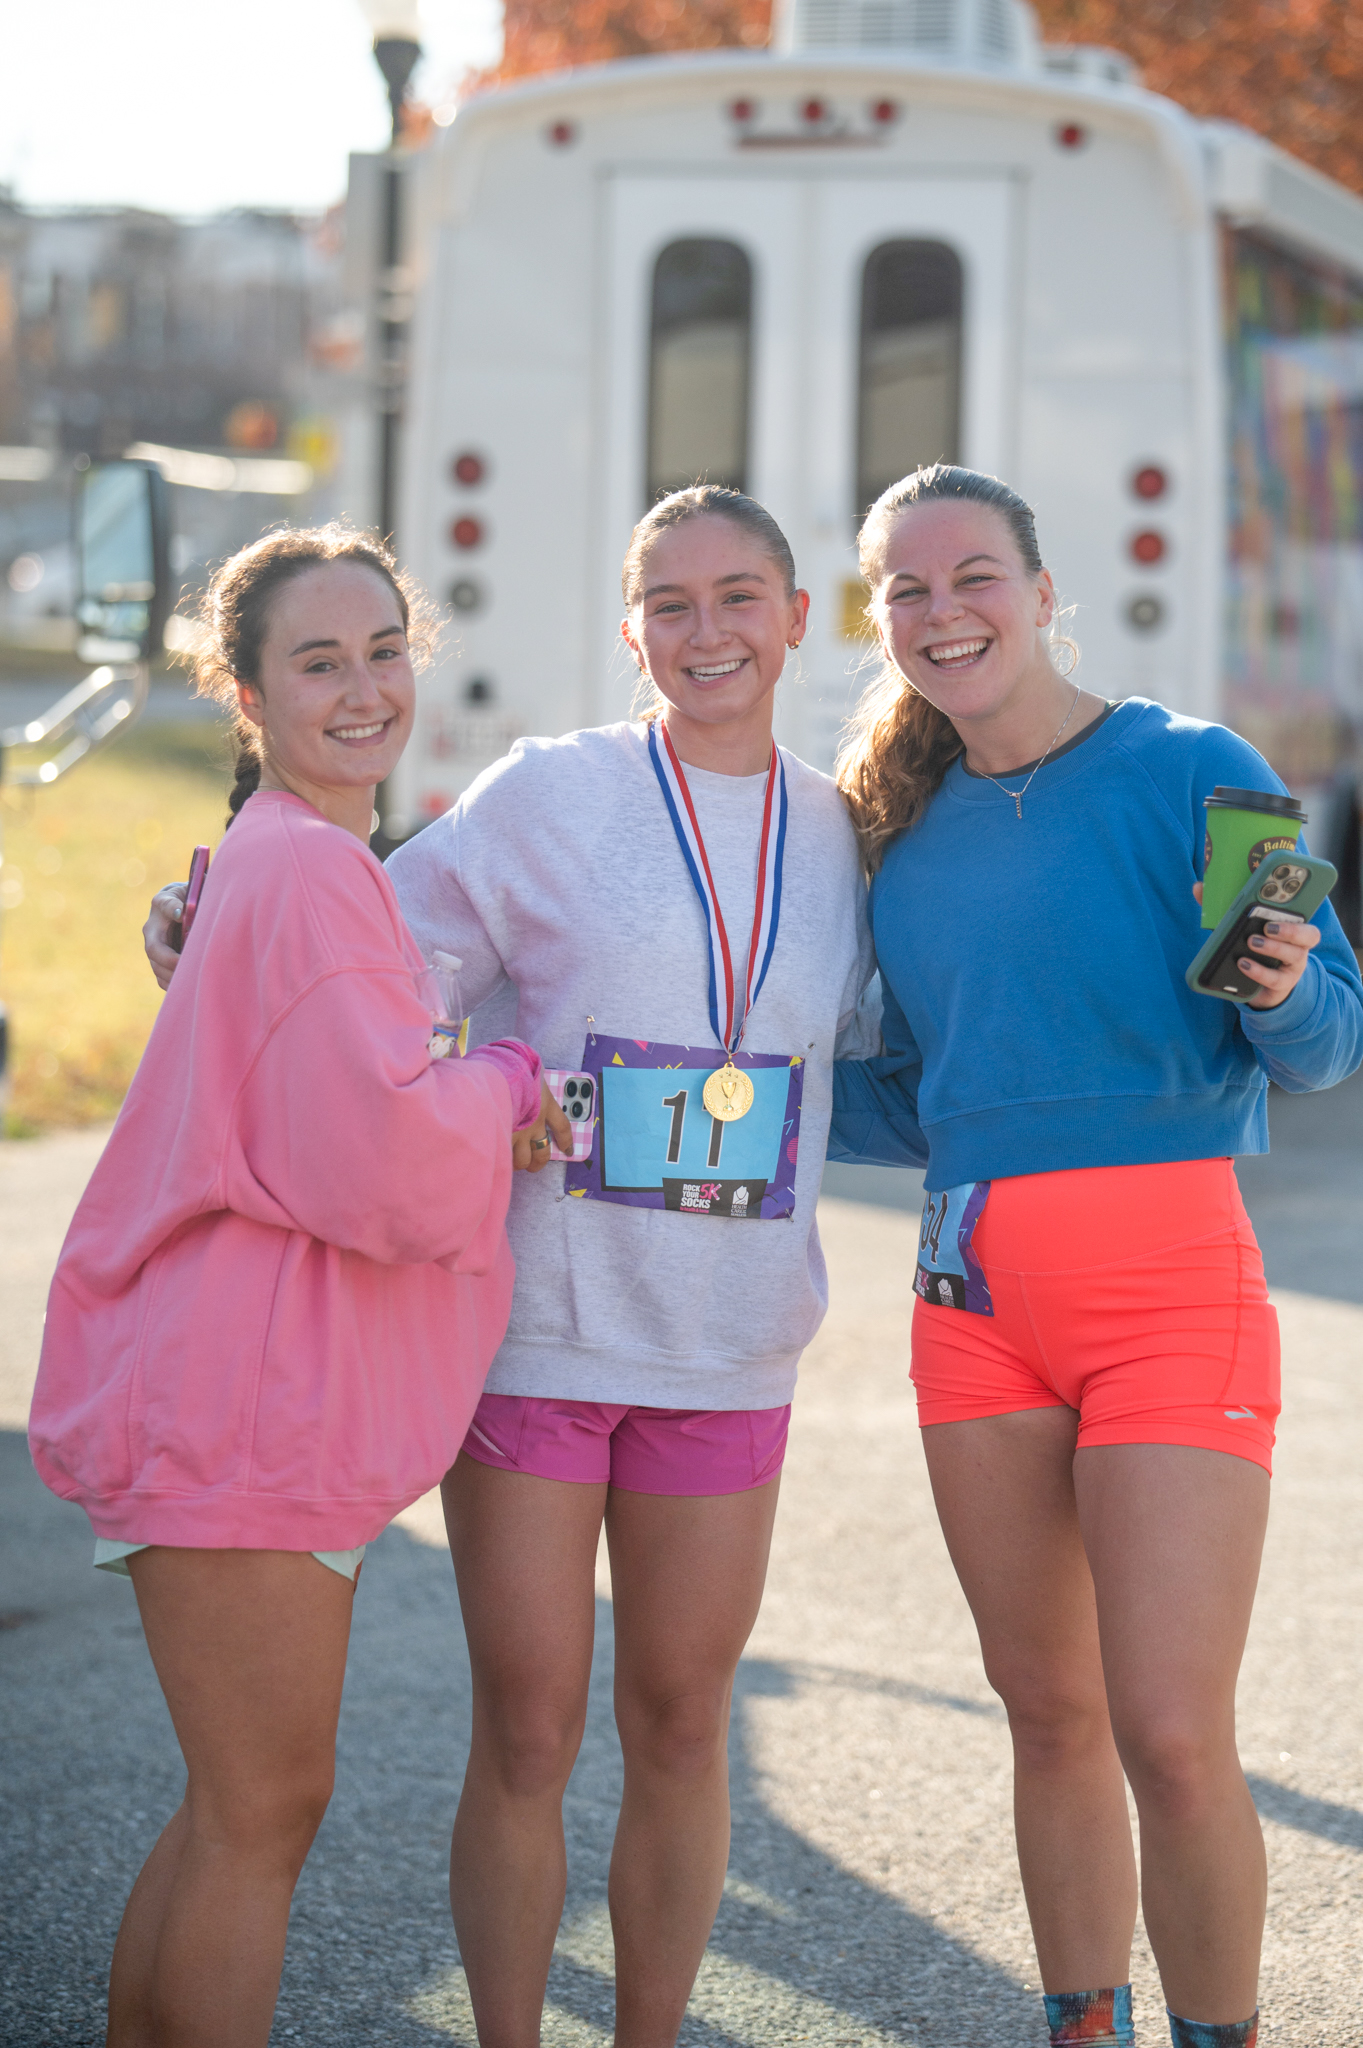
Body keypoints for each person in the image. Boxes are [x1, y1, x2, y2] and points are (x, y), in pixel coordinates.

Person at [143, 486, 876, 2048]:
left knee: (682, 1726)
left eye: (740, 597)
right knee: (529, 1729)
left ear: (799, 619)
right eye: (669, 605)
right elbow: (365, 957)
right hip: (539, 1333)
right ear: (632, 633)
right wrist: (196, 929)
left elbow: (881, 1047)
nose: (708, 633)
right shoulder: (554, 794)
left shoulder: (841, 830)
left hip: (729, 1346)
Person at [829, 464, 1363, 2048]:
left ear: (1045, 592)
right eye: (907, 591)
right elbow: (922, 1093)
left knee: (1171, 1733)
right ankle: (1083, 2028)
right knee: (1047, 1714)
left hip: (1173, 1293)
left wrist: (1275, 987)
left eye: (973, 576)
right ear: (882, 624)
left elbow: (1328, 1044)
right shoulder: (893, 836)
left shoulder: (1198, 769)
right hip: (971, 1303)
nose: (943, 613)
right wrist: (699, 1103)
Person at [32, 525, 558, 2048]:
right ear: (244, 694)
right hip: (239, 1413)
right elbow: (384, 1160)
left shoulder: (279, 867)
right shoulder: (312, 873)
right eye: (317, 662)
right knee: (262, 1814)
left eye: (383, 651)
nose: (363, 687)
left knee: (234, 1812)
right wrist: (512, 1074)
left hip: (223, 1406)